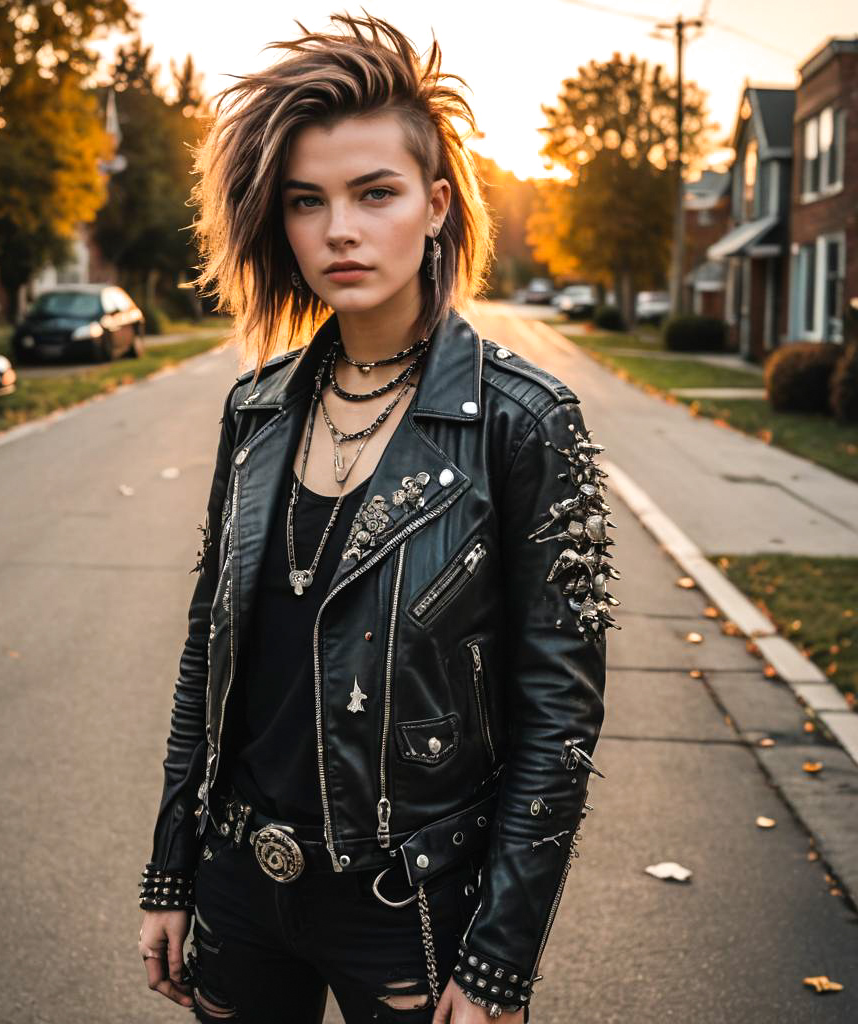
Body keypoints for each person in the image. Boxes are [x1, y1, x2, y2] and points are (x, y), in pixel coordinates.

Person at [136, 12, 616, 1023]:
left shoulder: (523, 424)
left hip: (408, 903)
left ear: (436, 205)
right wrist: (172, 872)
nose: (338, 230)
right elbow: (205, 655)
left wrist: (495, 964)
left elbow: (557, 720)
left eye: (375, 193)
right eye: (307, 202)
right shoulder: (255, 410)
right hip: (237, 880)